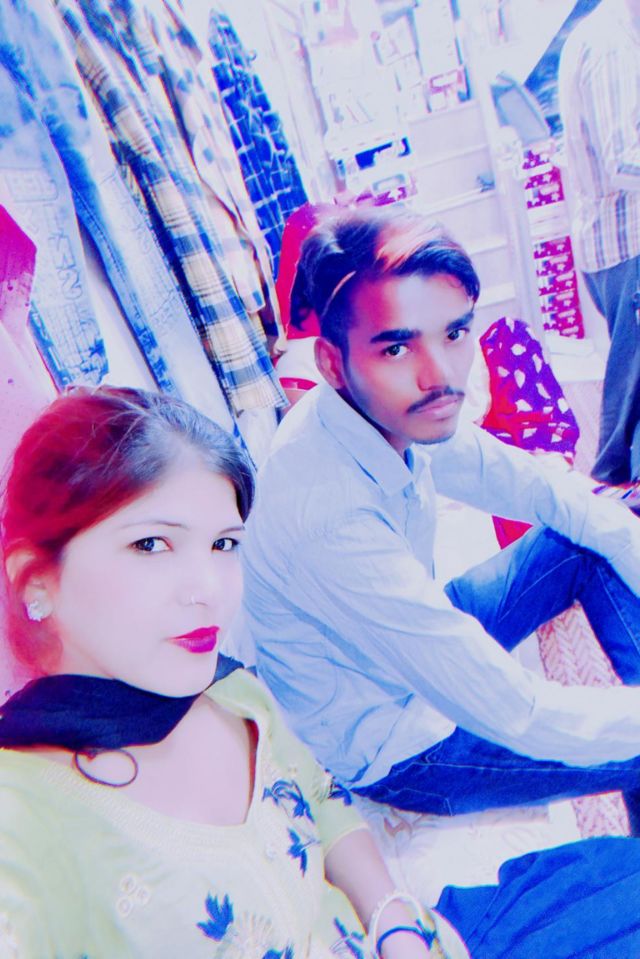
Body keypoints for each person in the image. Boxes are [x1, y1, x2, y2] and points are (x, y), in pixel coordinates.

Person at [0, 386, 465, 959]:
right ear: (36, 581)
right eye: (151, 544)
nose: (210, 590)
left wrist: (393, 922)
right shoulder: (20, 814)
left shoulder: (237, 695)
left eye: (224, 544)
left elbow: (322, 798)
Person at [241, 207, 640, 832]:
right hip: (401, 748)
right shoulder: (328, 516)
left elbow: (535, 486)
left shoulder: (387, 407)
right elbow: (519, 712)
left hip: (408, 652)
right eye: (397, 347)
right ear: (332, 363)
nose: (442, 376)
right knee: (629, 745)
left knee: (592, 529)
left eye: (454, 333)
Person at [558, 0, 640, 485]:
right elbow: (623, 159)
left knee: (632, 384)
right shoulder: (612, 44)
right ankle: (613, 490)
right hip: (628, 243)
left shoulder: (601, 35)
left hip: (615, 244)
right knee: (628, 391)